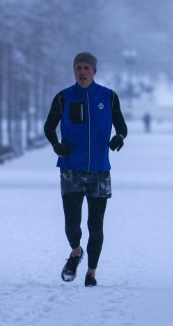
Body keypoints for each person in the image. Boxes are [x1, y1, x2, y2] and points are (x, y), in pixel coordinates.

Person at [43, 51, 128, 288]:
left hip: (100, 170)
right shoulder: (63, 97)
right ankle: (75, 251)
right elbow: (49, 126)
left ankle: (91, 272)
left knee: (95, 226)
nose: (82, 72)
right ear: (73, 71)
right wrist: (56, 145)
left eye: (86, 68)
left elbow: (122, 125)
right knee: (72, 224)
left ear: (94, 72)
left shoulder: (109, 97)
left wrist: (119, 137)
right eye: (78, 68)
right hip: (70, 169)